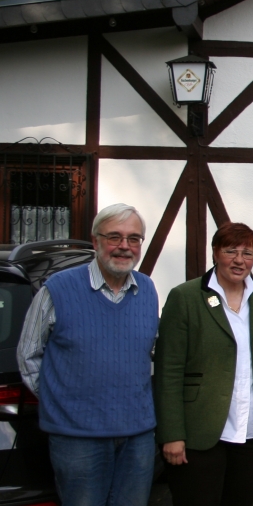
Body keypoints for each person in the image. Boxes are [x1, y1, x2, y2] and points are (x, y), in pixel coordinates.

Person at [17, 203, 160, 505]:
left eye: (134, 238)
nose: (125, 246)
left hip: (138, 435)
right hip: (77, 437)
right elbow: (28, 354)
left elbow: (148, 353)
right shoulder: (58, 288)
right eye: (115, 237)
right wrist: (61, 402)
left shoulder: (147, 290)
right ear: (96, 241)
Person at [153, 222, 253, 506]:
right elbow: (168, 371)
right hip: (198, 434)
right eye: (231, 251)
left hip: (252, 434)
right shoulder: (185, 297)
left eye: (247, 253)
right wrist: (171, 435)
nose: (239, 260)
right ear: (215, 253)